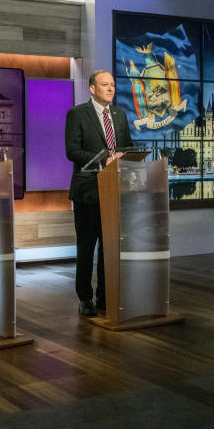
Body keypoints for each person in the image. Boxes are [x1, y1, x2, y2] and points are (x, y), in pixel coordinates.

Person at [64, 69, 133, 317]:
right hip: (88, 191)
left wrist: (126, 157)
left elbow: (127, 147)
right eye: (105, 84)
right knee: (86, 248)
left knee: (109, 247)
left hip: (115, 190)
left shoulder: (120, 115)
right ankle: (84, 298)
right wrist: (104, 161)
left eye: (112, 84)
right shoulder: (77, 114)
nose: (110, 88)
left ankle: (105, 296)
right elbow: (72, 151)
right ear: (92, 88)